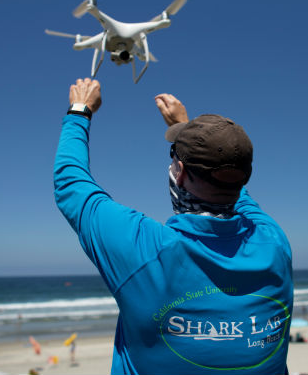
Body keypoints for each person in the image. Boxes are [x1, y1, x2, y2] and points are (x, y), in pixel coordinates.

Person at [54, 78, 293, 375]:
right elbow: (235, 192)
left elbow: (71, 184)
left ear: (178, 173)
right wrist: (188, 130)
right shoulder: (274, 243)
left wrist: (80, 111)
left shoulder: (144, 249)